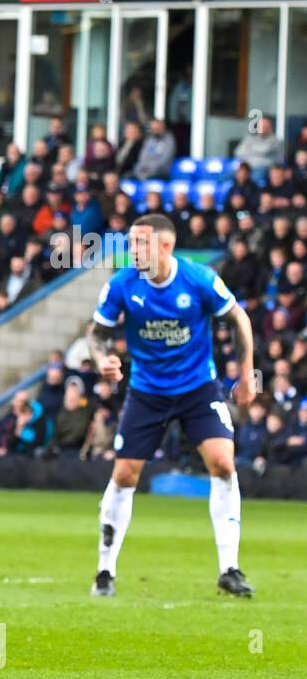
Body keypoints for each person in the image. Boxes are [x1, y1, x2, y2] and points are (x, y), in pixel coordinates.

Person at [87, 214, 257, 598]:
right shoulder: (122, 284)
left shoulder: (198, 279)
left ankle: (229, 568)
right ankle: (104, 571)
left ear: (164, 246)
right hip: (147, 391)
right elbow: (97, 333)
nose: (133, 251)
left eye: (140, 244)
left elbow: (239, 319)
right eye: (130, 244)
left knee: (224, 463)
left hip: (198, 388)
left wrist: (247, 376)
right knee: (126, 474)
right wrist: (102, 361)